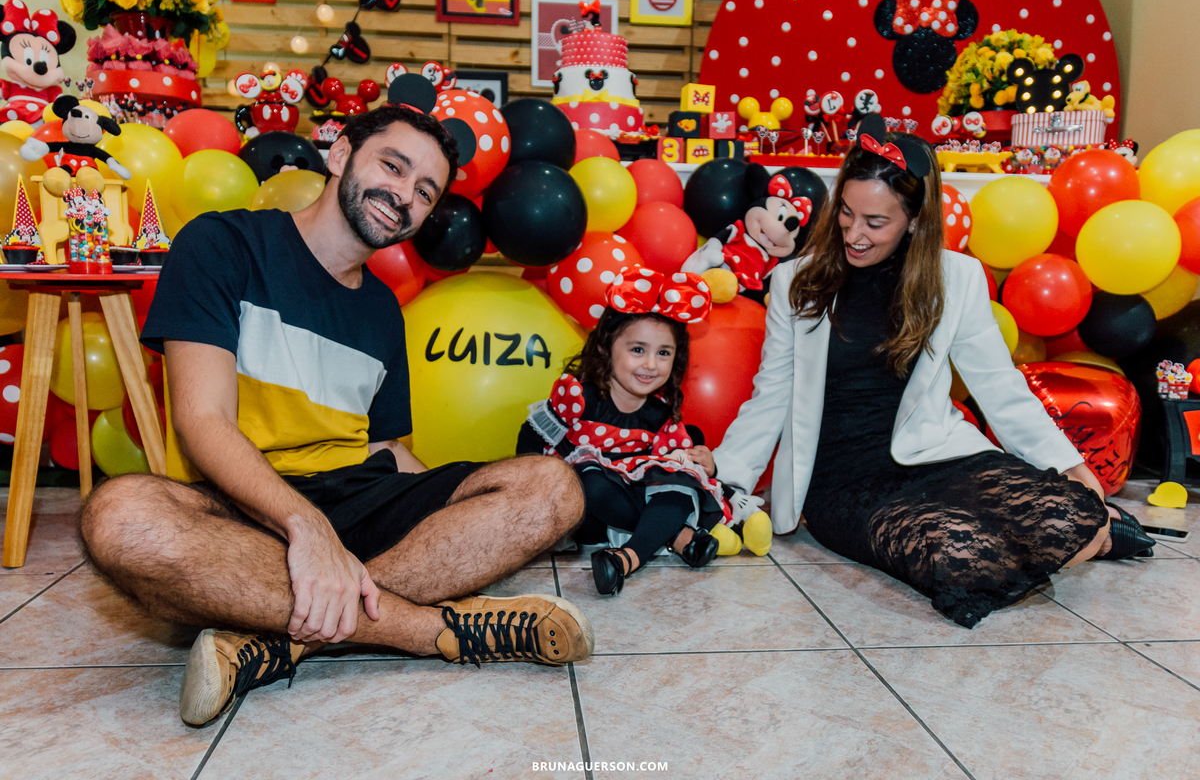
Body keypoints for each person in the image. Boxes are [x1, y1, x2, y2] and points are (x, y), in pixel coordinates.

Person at [78, 102, 594, 728]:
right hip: (250, 507)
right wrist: (307, 528)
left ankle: (281, 637)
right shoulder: (222, 244)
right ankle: (424, 630)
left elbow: (391, 452)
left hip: (358, 494)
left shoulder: (383, 311)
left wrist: (463, 519)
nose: (404, 195)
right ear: (343, 154)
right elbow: (202, 421)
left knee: (553, 488)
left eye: (425, 191)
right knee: (121, 516)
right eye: (394, 166)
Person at [713, 113, 1155, 628]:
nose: (855, 234)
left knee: (1071, 511)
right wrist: (725, 479)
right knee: (957, 557)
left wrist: (1069, 465)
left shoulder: (956, 278)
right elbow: (770, 396)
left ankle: (1088, 532)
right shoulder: (794, 281)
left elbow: (1000, 387)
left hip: (940, 457)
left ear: (915, 220)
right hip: (844, 483)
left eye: (876, 222)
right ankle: (1089, 541)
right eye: (847, 214)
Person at [516, 267, 747, 594]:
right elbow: (532, 435)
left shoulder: (660, 414)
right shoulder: (580, 397)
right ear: (606, 348)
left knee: (680, 484)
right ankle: (678, 537)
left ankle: (625, 560)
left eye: (663, 353)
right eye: (638, 350)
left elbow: (681, 461)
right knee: (591, 480)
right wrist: (525, 493)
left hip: (632, 499)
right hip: (588, 510)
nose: (651, 364)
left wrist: (706, 462)